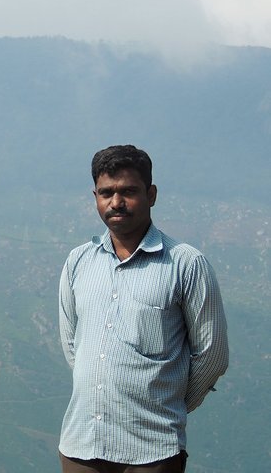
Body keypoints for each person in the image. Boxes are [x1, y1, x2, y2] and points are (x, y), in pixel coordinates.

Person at [58, 145, 229, 473]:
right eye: (106, 192)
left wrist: (168, 404)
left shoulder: (185, 264)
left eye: (128, 191)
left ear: (151, 195)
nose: (116, 202)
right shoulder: (78, 261)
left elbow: (213, 356)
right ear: (95, 196)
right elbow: (73, 346)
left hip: (152, 451)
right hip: (81, 445)